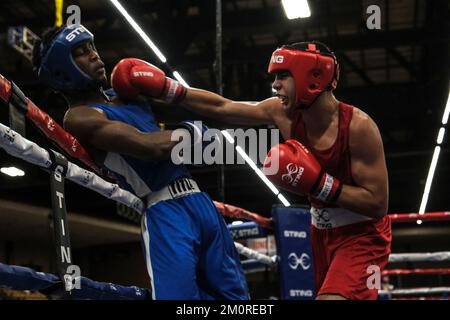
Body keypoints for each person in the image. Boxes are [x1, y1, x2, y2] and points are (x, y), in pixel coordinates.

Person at [112, 41, 392, 300]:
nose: (275, 85)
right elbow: (223, 107)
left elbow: (377, 204)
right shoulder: (281, 113)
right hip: (320, 231)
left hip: (362, 233)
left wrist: (319, 183)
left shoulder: (358, 127)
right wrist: (169, 89)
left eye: (283, 76)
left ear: (311, 76)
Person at [32, 23, 249, 300]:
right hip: (166, 211)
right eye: (81, 53)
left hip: (201, 202)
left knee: (236, 300)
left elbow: (185, 101)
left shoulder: (125, 93)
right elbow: (148, 147)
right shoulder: (80, 117)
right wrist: (193, 131)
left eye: (91, 47)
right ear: (62, 70)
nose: (95, 55)